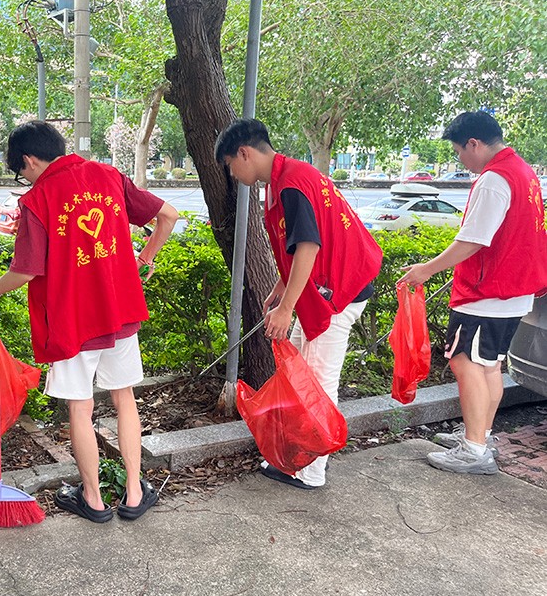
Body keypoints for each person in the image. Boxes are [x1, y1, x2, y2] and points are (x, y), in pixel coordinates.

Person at [0, 121, 178, 522]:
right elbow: (168, 216)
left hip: (72, 318)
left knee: (81, 407)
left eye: (21, 171)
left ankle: (94, 499)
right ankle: (134, 493)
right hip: (119, 310)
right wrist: (145, 258)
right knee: (124, 398)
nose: (25, 179)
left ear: (29, 160)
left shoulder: (38, 199)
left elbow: (26, 271)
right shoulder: (108, 175)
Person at [214, 118, 382, 489]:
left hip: (336, 294)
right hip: (327, 288)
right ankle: (299, 459)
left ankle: (312, 471)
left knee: (316, 382)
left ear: (244, 153)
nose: (233, 174)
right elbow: (298, 243)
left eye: (230, 165)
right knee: (301, 375)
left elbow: (309, 245)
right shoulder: (285, 178)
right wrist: (282, 286)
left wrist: (287, 307)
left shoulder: (290, 183)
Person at [399, 111, 547, 474]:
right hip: (514, 291)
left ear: (474, 144)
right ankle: (479, 435)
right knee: (489, 365)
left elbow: (473, 240)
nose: (461, 160)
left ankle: (475, 450)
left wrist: (426, 269)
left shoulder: (494, 179)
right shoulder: (524, 172)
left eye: (458, 152)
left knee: (465, 363)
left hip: (488, 292)